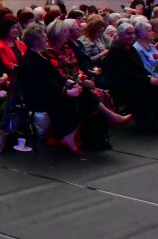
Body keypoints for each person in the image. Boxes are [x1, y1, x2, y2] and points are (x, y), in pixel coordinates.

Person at [17, 23, 131, 155]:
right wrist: (66, 91)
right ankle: (108, 119)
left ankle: (73, 134)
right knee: (84, 97)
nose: (46, 38)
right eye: (43, 36)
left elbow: (56, 77)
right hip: (38, 97)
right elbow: (44, 83)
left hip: (48, 92)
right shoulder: (31, 59)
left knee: (85, 94)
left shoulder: (38, 56)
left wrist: (69, 82)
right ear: (36, 41)